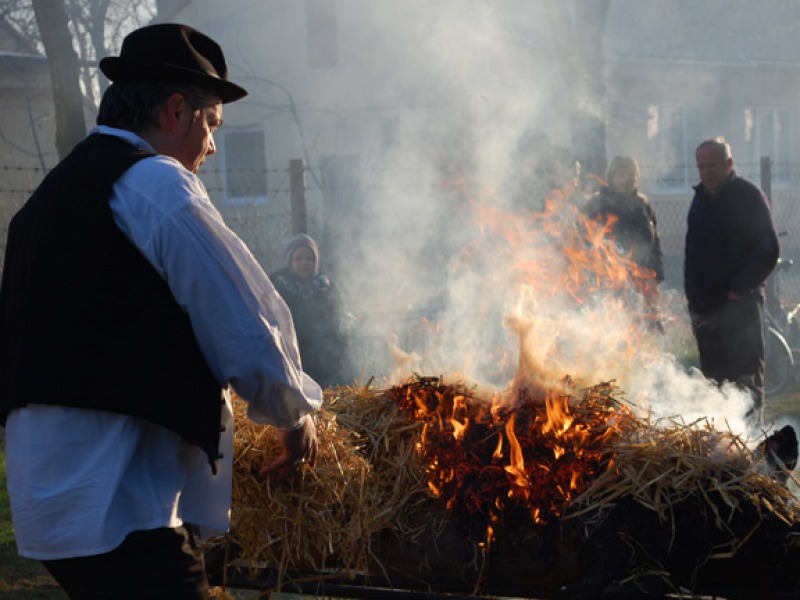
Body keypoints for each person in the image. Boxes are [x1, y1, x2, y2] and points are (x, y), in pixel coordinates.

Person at [0, 23, 321, 599]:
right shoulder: (157, 185)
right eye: (212, 125)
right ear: (178, 110)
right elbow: (245, 318)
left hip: (50, 508)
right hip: (119, 502)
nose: (214, 146)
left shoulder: (52, 196)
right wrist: (293, 416)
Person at [684, 137, 780, 428]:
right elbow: (692, 254)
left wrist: (740, 288)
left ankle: (749, 451)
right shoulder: (700, 201)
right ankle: (721, 453)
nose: (706, 172)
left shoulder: (747, 196)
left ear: (729, 163)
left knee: (745, 384)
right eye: (701, 166)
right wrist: (693, 301)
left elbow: (769, 249)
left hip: (740, 312)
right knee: (715, 386)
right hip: (706, 313)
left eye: (712, 165)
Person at [584, 155, 665, 327]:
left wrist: (656, 273)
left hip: (642, 275)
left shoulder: (642, 205)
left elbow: (654, 242)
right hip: (610, 277)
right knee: (616, 325)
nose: (625, 180)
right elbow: (586, 242)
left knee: (646, 327)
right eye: (621, 175)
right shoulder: (598, 204)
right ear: (611, 177)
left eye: (630, 175)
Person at [271, 233, 354, 388]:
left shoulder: (326, 287)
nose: (304, 263)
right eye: (298, 258)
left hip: (323, 361)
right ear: (289, 261)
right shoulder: (276, 287)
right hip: (289, 358)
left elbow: (338, 321)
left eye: (310, 258)